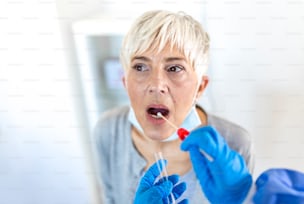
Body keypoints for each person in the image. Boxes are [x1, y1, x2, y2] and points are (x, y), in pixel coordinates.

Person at [93, 10, 254, 203]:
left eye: (174, 68)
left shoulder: (234, 144)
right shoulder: (108, 131)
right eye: (140, 67)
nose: (156, 85)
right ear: (126, 82)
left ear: (200, 87)